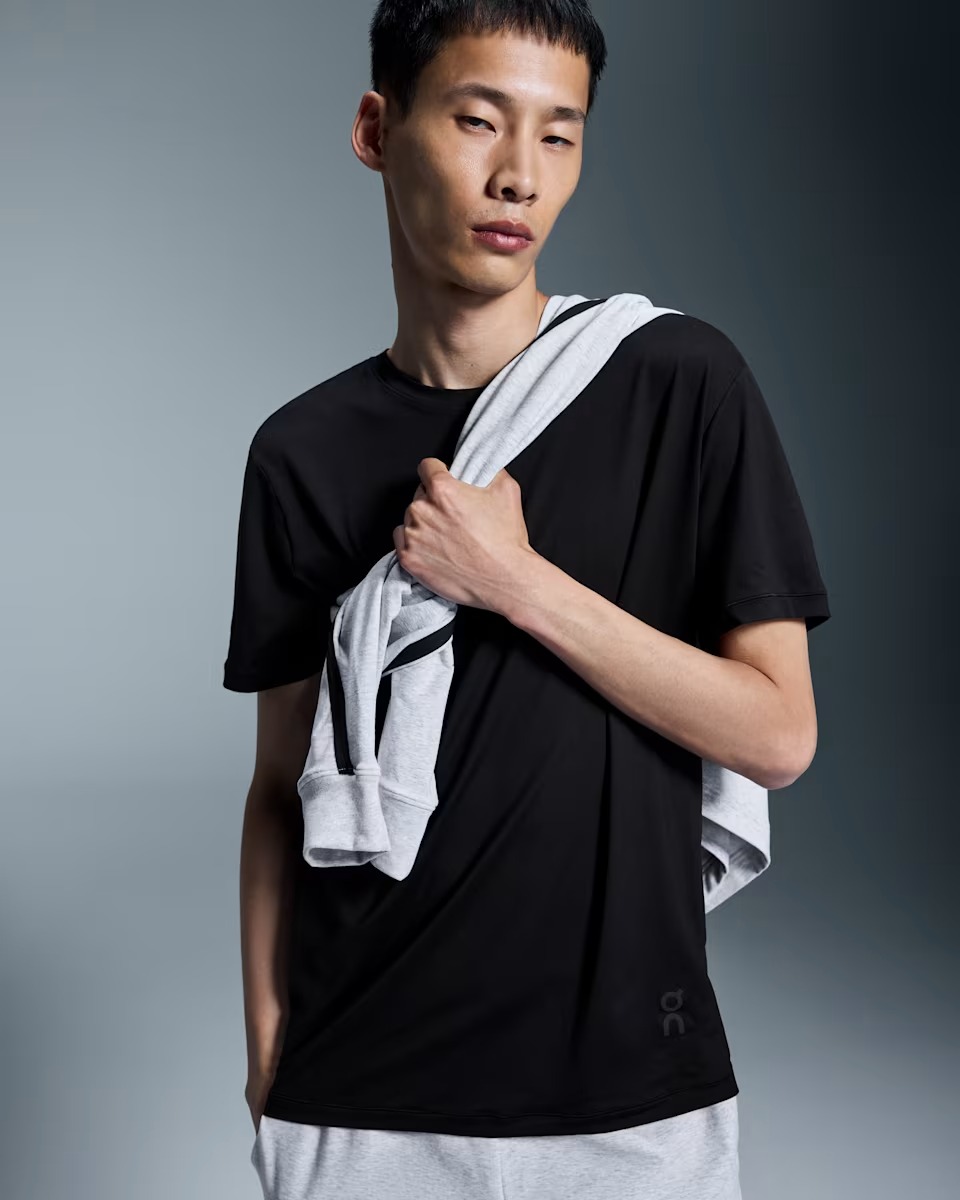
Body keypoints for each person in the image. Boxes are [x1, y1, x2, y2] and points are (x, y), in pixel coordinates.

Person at [223, 3, 831, 1197]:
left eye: (560, 134)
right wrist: (266, 1047)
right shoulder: (300, 452)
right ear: (377, 129)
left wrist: (515, 582)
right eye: (477, 120)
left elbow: (779, 735)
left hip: (627, 1086)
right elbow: (277, 785)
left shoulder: (677, 382)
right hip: (358, 1087)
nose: (520, 175)